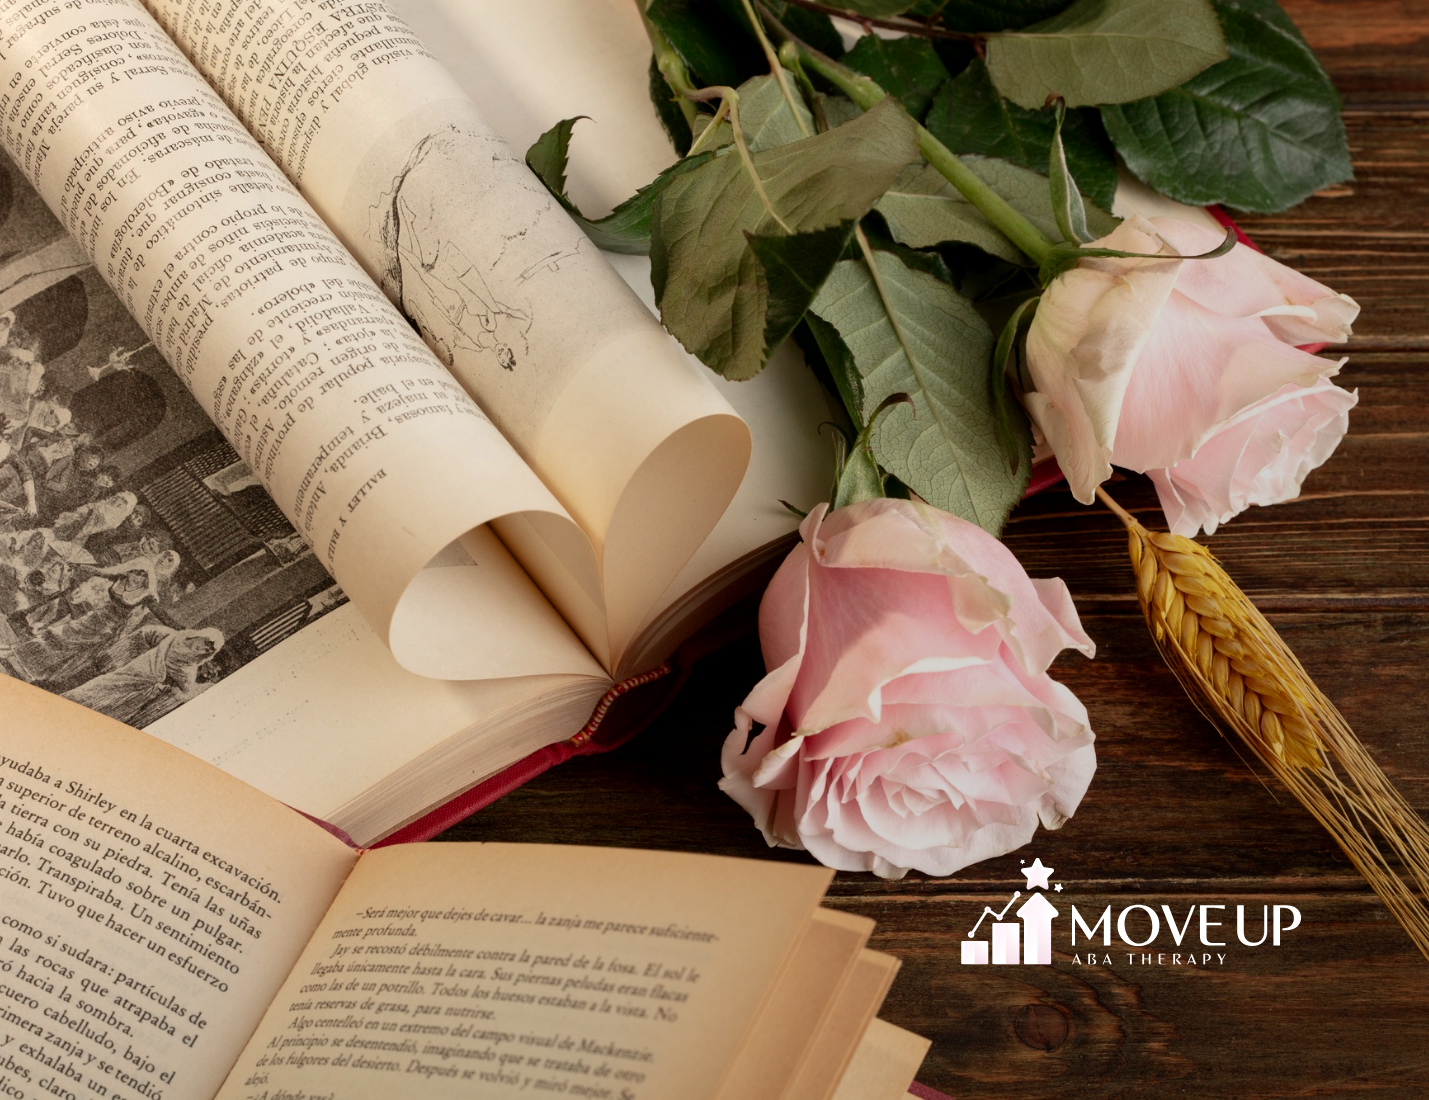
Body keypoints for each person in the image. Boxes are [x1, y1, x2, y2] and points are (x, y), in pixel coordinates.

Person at [62, 626, 223, 726]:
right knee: (91, 690)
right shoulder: (172, 636)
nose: (202, 649)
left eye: (208, 650)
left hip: (138, 687)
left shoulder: (188, 669)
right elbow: (145, 633)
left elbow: (186, 690)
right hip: (125, 672)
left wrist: (162, 686)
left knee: (108, 708)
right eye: (206, 643)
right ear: (200, 635)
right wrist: (126, 653)